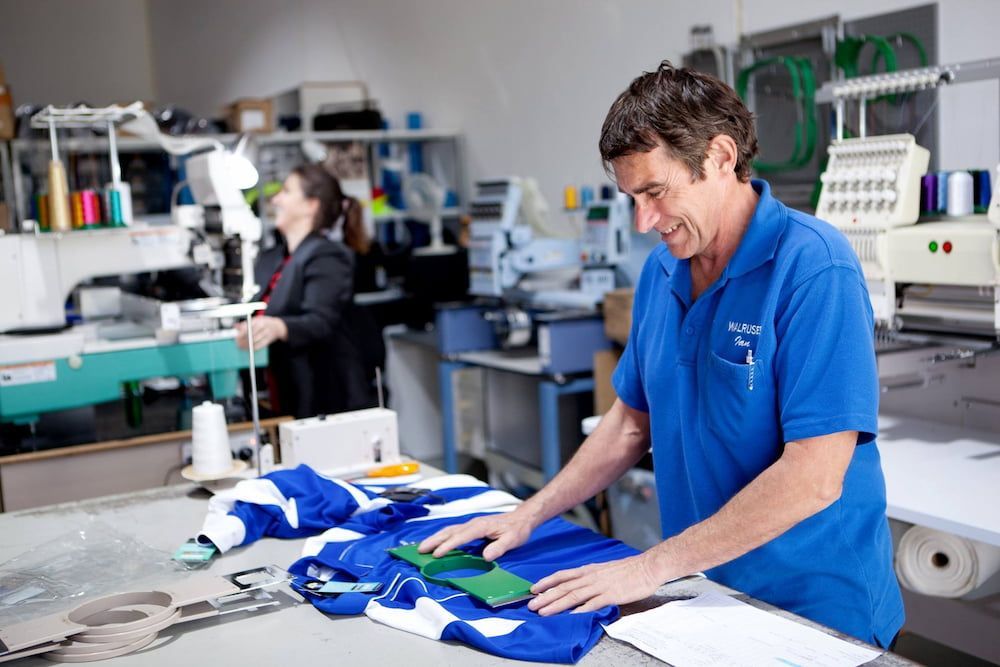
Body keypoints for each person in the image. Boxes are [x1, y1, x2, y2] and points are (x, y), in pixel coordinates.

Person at [420, 61, 904, 648]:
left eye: (655, 191)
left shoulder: (813, 266)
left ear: (721, 157)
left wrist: (646, 568)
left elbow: (815, 476)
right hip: (703, 590)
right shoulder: (662, 271)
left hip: (815, 609)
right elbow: (629, 422)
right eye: (630, 197)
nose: (643, 220)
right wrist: (531, 512)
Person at [235, 164, 371, 418]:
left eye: (286, 191)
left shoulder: (327, 255)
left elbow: (320, 321)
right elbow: (257, 308)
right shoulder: (274, 258)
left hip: (324, 399)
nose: (276, 199)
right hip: (283, 393)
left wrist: (278, 327)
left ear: (311, 205)